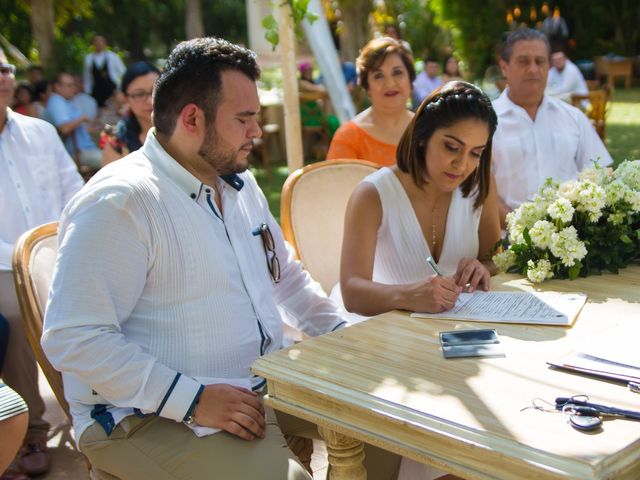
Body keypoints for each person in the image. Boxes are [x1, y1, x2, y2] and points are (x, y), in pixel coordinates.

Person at [42, 37, 400, 480]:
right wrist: (192, 399)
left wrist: (346, 338)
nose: (256, 132)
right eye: (245, 119)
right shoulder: (121, 201)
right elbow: (73, 338)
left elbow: (285, 278)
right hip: (146, 416)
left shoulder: (238, 183)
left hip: (260, 384)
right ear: (193, 118)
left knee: (392, 425)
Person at [336, 81, 500, 479]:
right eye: (452, 146)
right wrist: (411, 294)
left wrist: (482, 268)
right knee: (450, 413)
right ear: (423, 136)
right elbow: (352, 291)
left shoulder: (477, 187)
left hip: (455, 338)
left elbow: (493, 256)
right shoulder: (373, 194)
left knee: (502, 388)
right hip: (384, 340)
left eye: (475, 153)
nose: (462, 164)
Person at [0, 47, 84, 479]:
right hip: (1, 269)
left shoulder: (41, 132)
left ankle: (97, 412)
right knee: (14, 320)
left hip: (62, 253)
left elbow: (73, 193)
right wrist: (21, 265)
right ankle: (27, 429)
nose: (1, 76)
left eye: (5, 67)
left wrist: (73, 248)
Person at [492, 28, 612, 228]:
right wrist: (524, 229)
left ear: (549, 67)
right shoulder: (487, 122)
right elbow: (477, 191)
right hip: (507, 241)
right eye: (523, 61)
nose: (533, 69)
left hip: (571, 242)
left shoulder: (573, 118)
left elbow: (602, 174)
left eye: (540, 61)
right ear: (504, 67)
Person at [327, 36, 415, 166]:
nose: (390, 84)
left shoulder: (428, 130)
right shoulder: (349, 137)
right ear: (367, 87)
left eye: (397, 73)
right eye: (378, 76)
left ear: (410, 78)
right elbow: (335, 185)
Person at [100, 61, 159, 165]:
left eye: (156, 91)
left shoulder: (186, 128)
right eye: (139, 94)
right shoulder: (116, 139)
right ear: (125, 98)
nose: (150, 100)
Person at [46, 72, 102, 168]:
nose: (73, 88)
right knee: (114, 162)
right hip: (78, 153)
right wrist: (81, 118)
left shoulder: (65, 102)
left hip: (86, 148)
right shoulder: (56, 103)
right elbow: (65, 128)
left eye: (73, 85)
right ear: (57, 87)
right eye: (69, 85)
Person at [82, 35, 126, 108]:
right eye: (96, 42)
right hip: (96, 90)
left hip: (111, 90)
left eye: (101, 42)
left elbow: (123, 72)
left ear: (105, 43)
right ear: (93, 44)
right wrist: (87, 92)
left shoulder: (113, 57)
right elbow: (87, 77)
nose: (99, 44)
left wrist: (120, 88)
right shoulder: (88, 59)